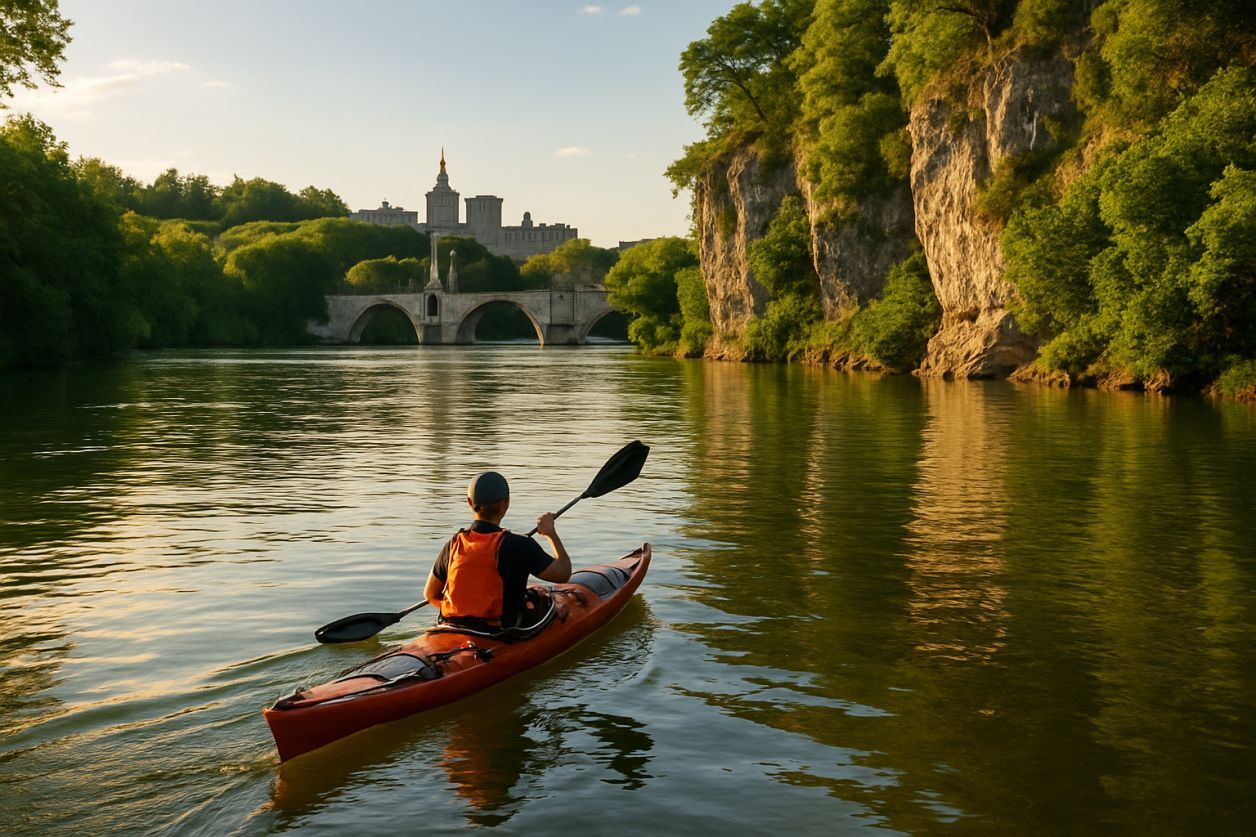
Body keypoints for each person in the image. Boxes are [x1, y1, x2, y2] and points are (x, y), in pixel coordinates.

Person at [424, 471, 572, 630]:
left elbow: (430, 595)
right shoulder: (520, 544)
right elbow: (563, 574)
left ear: (469, 502)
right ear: (506, 503)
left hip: (451, 626)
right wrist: (551, 534)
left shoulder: (454, 544)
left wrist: (461, 612)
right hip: (499, 632)